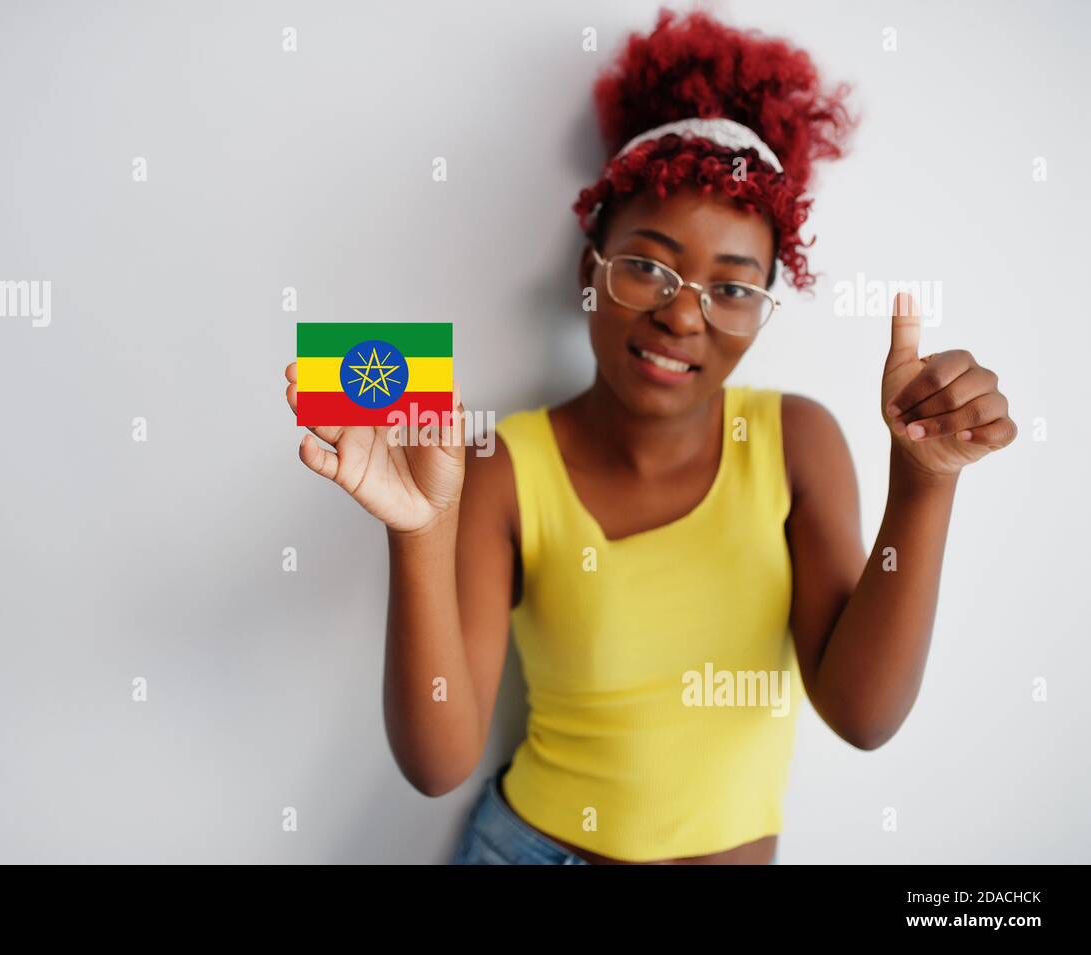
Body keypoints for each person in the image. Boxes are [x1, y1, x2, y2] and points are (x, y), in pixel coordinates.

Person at [283, 8, 1015, 864]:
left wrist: (924, 484)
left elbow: (863, 713)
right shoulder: (501, 464)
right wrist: (417, 534)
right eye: (647, 265)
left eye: (732, 287)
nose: (681, 314)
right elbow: (438, 762)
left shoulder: (798, 444)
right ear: (587, 268)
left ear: (764, 309)